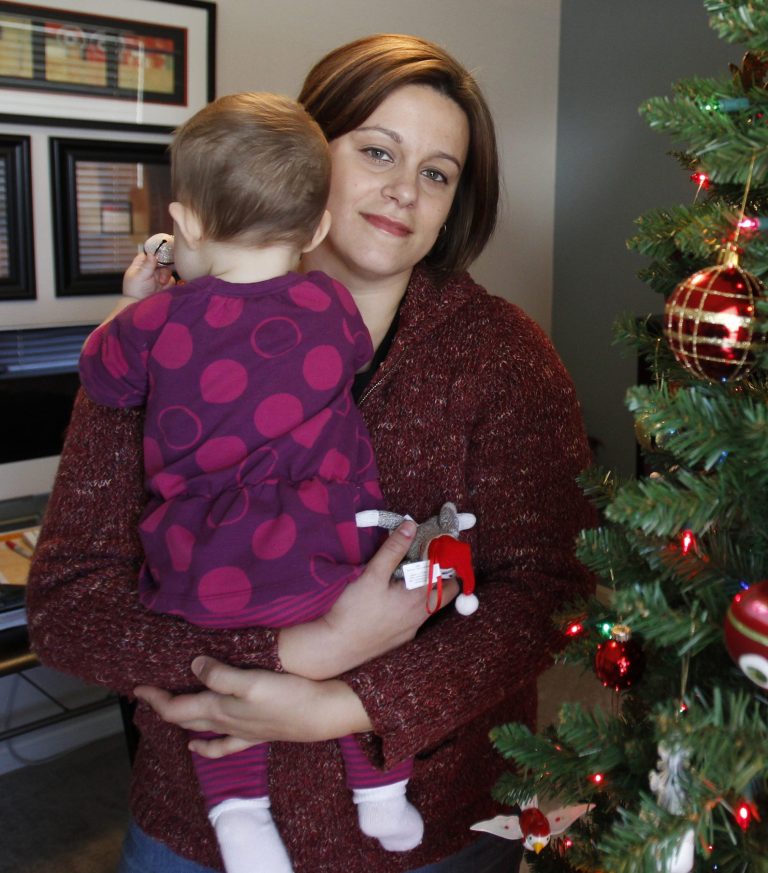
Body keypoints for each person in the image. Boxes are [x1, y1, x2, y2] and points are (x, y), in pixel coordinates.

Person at [26, 33, 595, 873]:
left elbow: (546, 589)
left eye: (437, 173)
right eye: (376, 151)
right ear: (304, 152)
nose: (405, 190)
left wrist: (343, 703)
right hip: (196, 831)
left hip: (434, 831)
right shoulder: (160, 340)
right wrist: (294, 655)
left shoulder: (504, 357)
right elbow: (69, 606)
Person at [77, 92, 425, 873]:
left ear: (187, 223)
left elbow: (101, 376)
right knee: (360, 661)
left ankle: (238, 815)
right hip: (318, 552)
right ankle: (383, 790)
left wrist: (133, 304)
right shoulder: (331, 305)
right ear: (318, 229)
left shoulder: (156, 326)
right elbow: (351, 362)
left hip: (205, 562)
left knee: (222, 677)